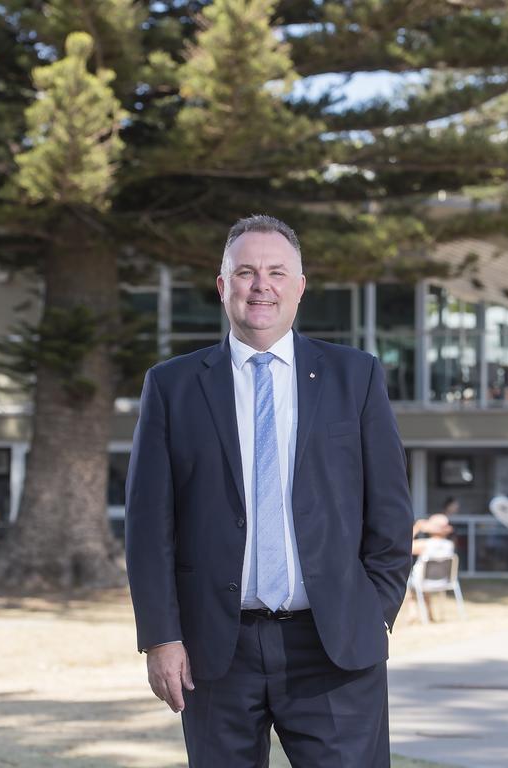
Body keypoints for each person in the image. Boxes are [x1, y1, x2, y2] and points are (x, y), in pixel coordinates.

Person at [125, 215, 413, 767]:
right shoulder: (172, 386)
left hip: (334, 646)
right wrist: (161, 638)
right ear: (222, 284)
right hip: (215, 650)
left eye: (278, 272)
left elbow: (392, 511)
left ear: (300, 287)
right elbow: (148, 527)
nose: (262, 286)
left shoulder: (356, 377)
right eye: (247, 272)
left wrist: (373, 610)